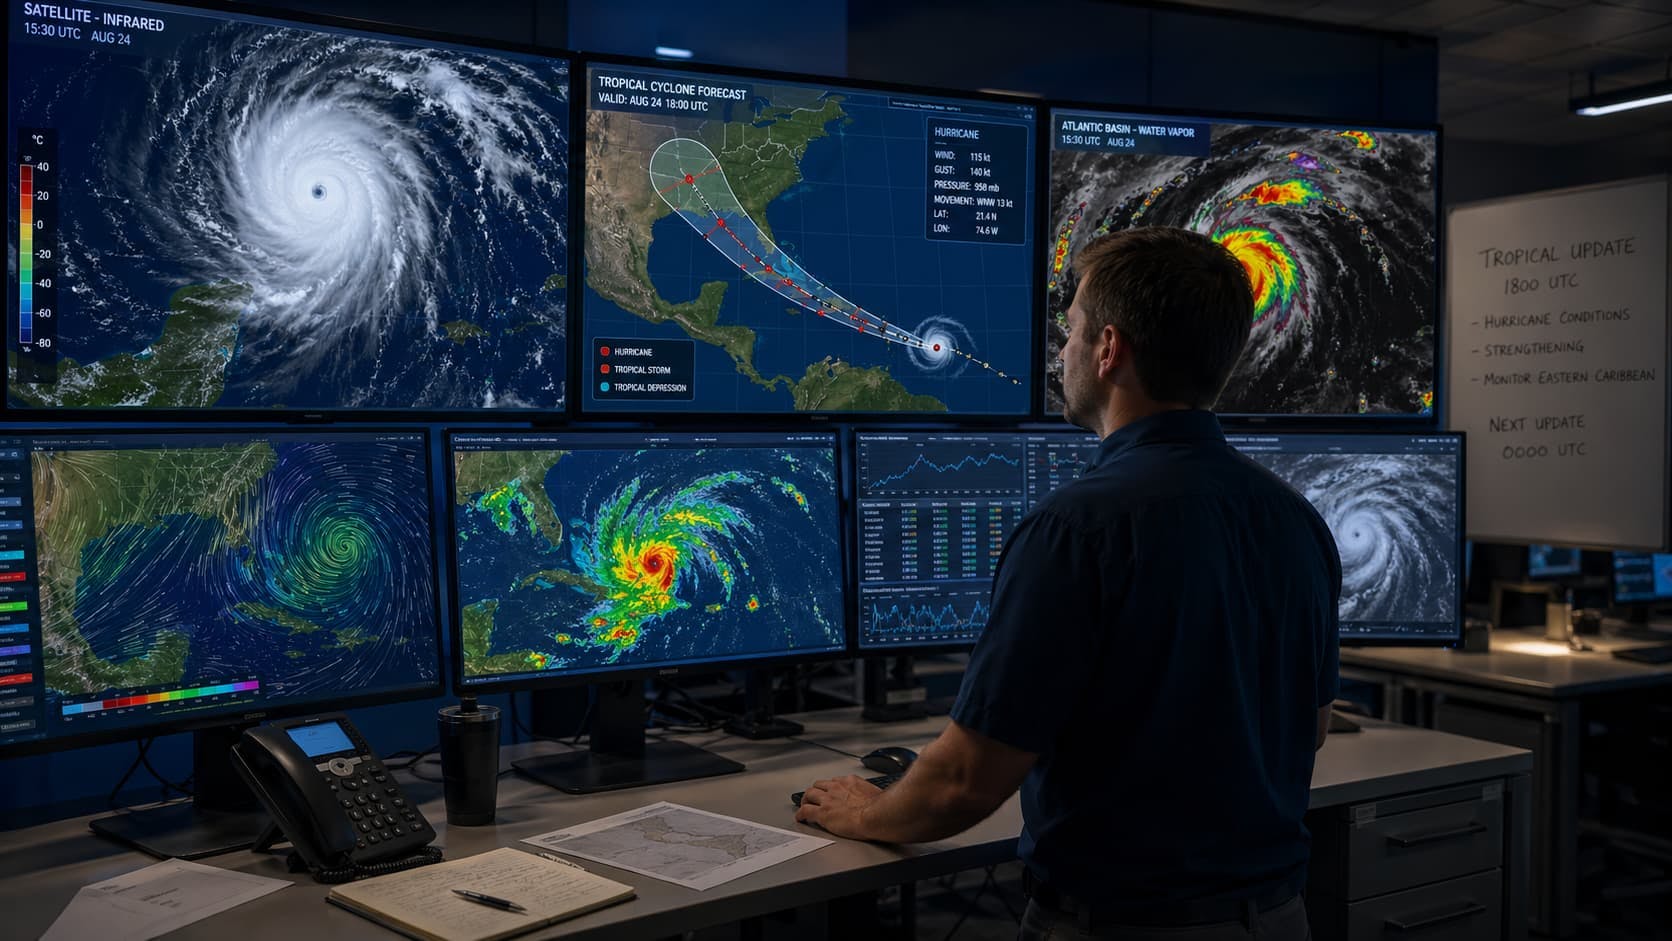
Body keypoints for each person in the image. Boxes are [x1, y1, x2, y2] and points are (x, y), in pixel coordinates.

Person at [794, 226, 1341, 940]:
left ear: (1109, 350)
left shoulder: (1075, 528)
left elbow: (966, 782)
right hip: (1278, 919)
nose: (1063, 351)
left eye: (1073, 330)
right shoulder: (1295, 519)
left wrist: (862, 811)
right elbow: (1314, 724)